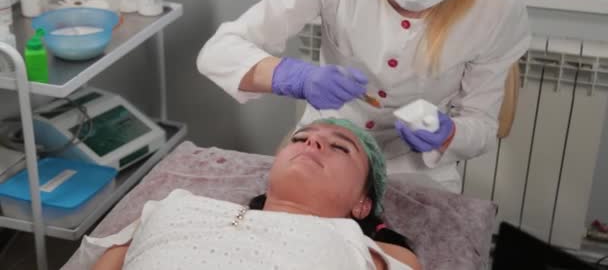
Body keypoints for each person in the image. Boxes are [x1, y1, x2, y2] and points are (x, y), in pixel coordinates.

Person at [197, 0, 532, 192]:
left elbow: (484, 125)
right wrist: (292, 76)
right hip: (325, 146)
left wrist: (447, 134)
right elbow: (220, 51)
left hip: (415, 170)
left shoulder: (497, 10)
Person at [88, 119, 421, 270]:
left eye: (339, 147)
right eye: (300, 138)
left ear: (363, 204)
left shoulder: (364, 248)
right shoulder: (175, 204)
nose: (311, 143)